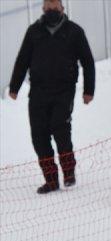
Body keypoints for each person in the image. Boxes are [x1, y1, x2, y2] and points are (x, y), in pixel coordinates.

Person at [8, 0, 95, 194]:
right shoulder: (34, 32)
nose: (51, 11)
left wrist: (89, 90)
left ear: (62, 9)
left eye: (55, 8)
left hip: (64, 90)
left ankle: (69, 173)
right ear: (43, 9)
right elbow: (22, 60)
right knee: (39, 135)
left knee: (60, 128)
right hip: (38, 91)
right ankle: (51, 179)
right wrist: (14, 87)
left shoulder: (74, 31)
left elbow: (88, 62)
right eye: (48, 8)